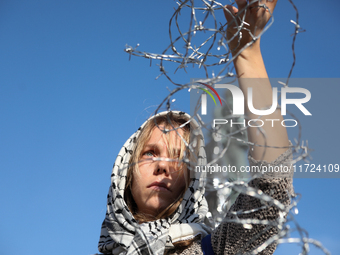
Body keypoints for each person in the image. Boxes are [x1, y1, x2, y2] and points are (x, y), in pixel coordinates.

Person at [97, 0, 294, 254]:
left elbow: (271, 181)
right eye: (150, 153)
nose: (163, 166)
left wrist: (248, 54)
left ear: (191, 183)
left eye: (180, 159)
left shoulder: (212, 249)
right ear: (126, 171)